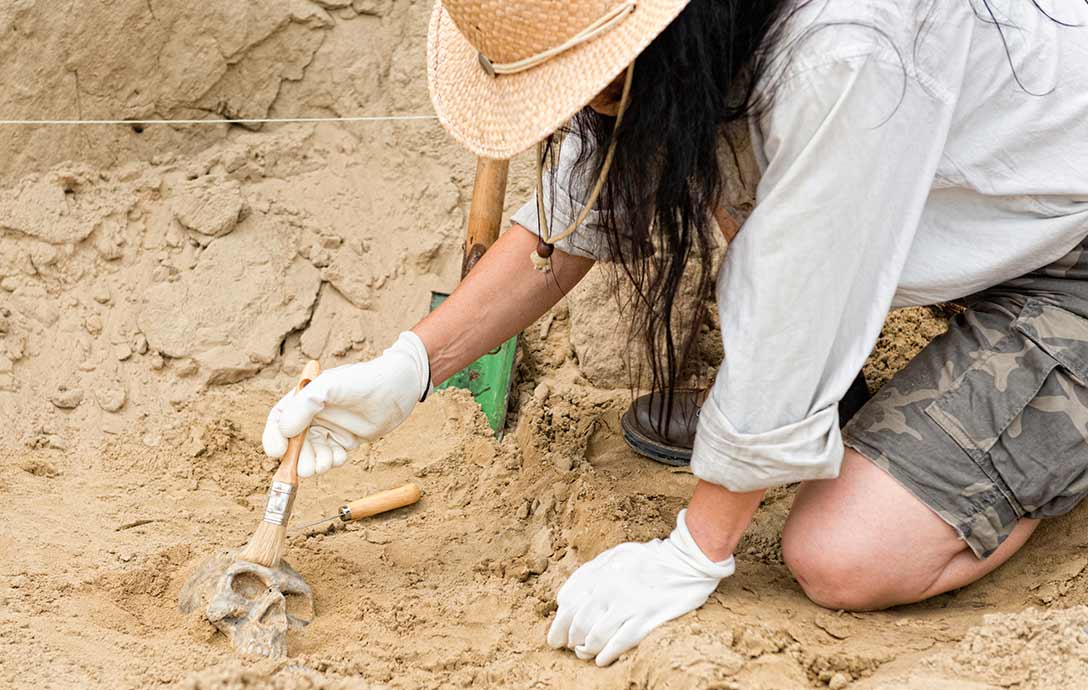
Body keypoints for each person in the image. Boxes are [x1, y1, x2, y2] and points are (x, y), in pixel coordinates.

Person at [263, 0, 1088, 668]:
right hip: (983, 224)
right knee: (722, 159)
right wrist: (409, 368)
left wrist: (695, 549)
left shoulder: (845, 49)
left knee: (846, 555)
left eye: (585, 81)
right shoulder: (701, 32)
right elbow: (586, 206)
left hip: (1068, 259)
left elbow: (796, 298)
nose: (578, 107)